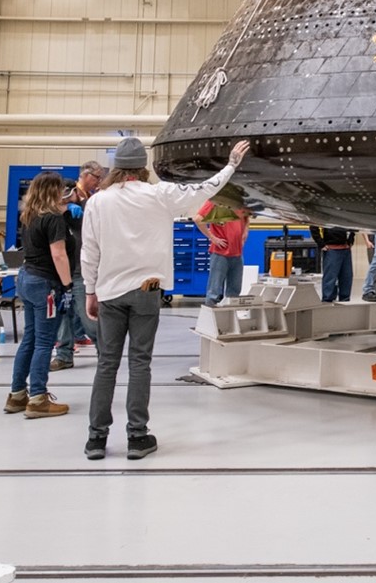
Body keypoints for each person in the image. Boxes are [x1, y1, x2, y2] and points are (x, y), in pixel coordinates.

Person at [81, 137, 251, 461]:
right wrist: (231, 164)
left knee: (106, 365)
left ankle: (96, 439)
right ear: (141, 167)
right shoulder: (158, 195)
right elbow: (204, 190)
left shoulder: (97, 202)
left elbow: (89, 252)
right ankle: (136, 437)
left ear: (116, 167)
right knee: (140, 364)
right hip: (146, 293)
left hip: (110, 293)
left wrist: (91, 291)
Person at [4, 171, 75, 418]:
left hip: (27, 278)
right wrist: (67, 287)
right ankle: (37, 398)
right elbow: (58, 254)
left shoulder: (30, 216)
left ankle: (17, 395)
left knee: (30, 340)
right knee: (45, 342)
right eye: (60, 190)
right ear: (52, 191)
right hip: (47, 284)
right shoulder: (53, 219)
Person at [51, 161, 104, 371]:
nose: (97, 182)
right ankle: (64, 355)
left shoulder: (89, 204)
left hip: (82, 269)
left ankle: (105, 353)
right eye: (96, 177)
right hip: (63, 270)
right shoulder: (58, 210)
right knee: (63, 313)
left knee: (88, 316)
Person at [193, 202, 250, 304]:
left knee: (234, 293)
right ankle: (211, 318)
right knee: (214, 292)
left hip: (237, 253)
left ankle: (231, 318)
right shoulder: (215, 201)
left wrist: (245, 232)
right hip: (220, 253)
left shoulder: (240, 201)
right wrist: (212, 238)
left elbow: (246, 218)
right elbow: (198, 219)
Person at [309, 224, 357, 302]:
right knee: (330, 278)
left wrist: (351, 239)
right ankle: (327, 301)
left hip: (345, 249)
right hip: (332, 249)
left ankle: (345, 301)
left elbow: (352, 224)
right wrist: (321, 243)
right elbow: (313, 226)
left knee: (347, 277)